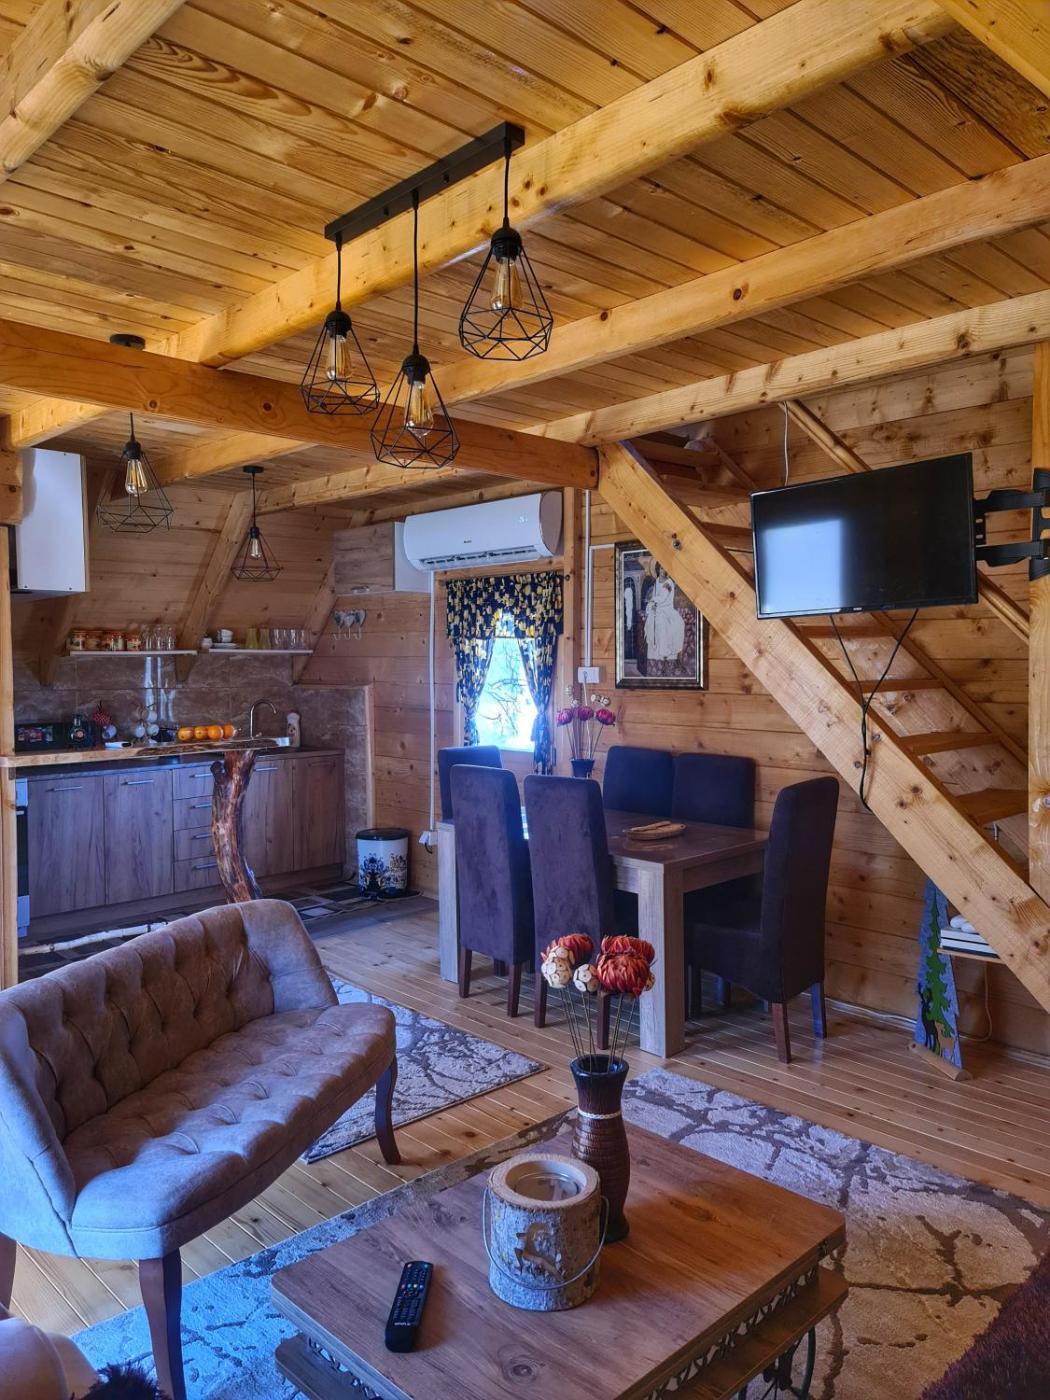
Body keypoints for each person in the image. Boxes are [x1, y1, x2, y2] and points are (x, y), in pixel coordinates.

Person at [642, 563, 685, 662]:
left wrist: (653, 600)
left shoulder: (668, 583)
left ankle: (665, 653)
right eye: (661, 568)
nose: (663, 571)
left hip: (667, 609)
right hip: (658, 608)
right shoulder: (657, 581)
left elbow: (663, 598)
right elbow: (655, 595)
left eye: (665, 569)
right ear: (658, 569)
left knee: (664, 623)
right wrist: (652, 605)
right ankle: (655, 655)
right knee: (652, 620)